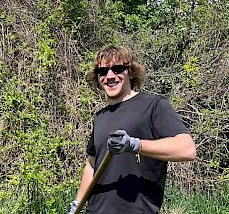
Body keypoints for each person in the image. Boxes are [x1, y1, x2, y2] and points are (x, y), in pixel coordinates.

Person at [68, 45, 196, 214]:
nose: (110, 76)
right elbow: (92, 164)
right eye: (103, 72)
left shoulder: (153, 106)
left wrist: (136, 145)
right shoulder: (100, 117)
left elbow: (187, 149)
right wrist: (77, 204)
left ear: (131, 71)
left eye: (117, 69)